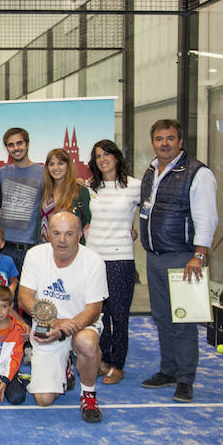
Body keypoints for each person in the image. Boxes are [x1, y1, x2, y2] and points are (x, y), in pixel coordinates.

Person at [138, 119, 218, 403]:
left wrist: (198, 256)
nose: (164, 143)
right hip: (155, 257)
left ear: (180, 141)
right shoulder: (151, 171)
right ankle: (168, 370)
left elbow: (207, 218)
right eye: (159, 138)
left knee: (183, 320)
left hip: (185, 258)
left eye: (170, 138)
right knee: (161, 318)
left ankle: (185, 379)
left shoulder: (197, 173)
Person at [18, 211, 107, 423]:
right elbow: (25, 297)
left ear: (80, 235)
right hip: (48, 327)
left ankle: (88, 395)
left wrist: (64, 329)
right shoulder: (35, 255)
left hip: (83, 325)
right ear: (48, 233)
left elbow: (94, 309)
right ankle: (65, 367)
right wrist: (52, 324)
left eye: (69, 233)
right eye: (57, 233)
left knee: (85, 342)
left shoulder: (94, 261)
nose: (62, 240)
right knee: (43, 399)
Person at [85, 139, 141, 385]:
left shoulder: (135, 186)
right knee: (99, 315)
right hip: (94, 259)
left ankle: (117, 365)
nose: (103, 159)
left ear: (117, 157)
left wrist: (136, 228)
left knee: (119, 316)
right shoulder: (91, 187)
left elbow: (152, 212)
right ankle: (103, 360)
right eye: (98, 156)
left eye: (107, 154)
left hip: (120, 259)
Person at [0, 127, 44, 274]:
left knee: (27, 296)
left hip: (31, 249)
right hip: (4, 249)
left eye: (19, 143)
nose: (16, 148)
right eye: (11, 145)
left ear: (27, 144)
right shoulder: (1, 173)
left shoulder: (43, 173)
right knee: (3, 297)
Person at [36, 148, 91, 244]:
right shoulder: (44, 191)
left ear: (68, 166)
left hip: (70, 251)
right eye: (51, 164)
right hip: (44, 250)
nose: (55, 167)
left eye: (60, 163)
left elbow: (88, 220)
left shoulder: (80, 191)